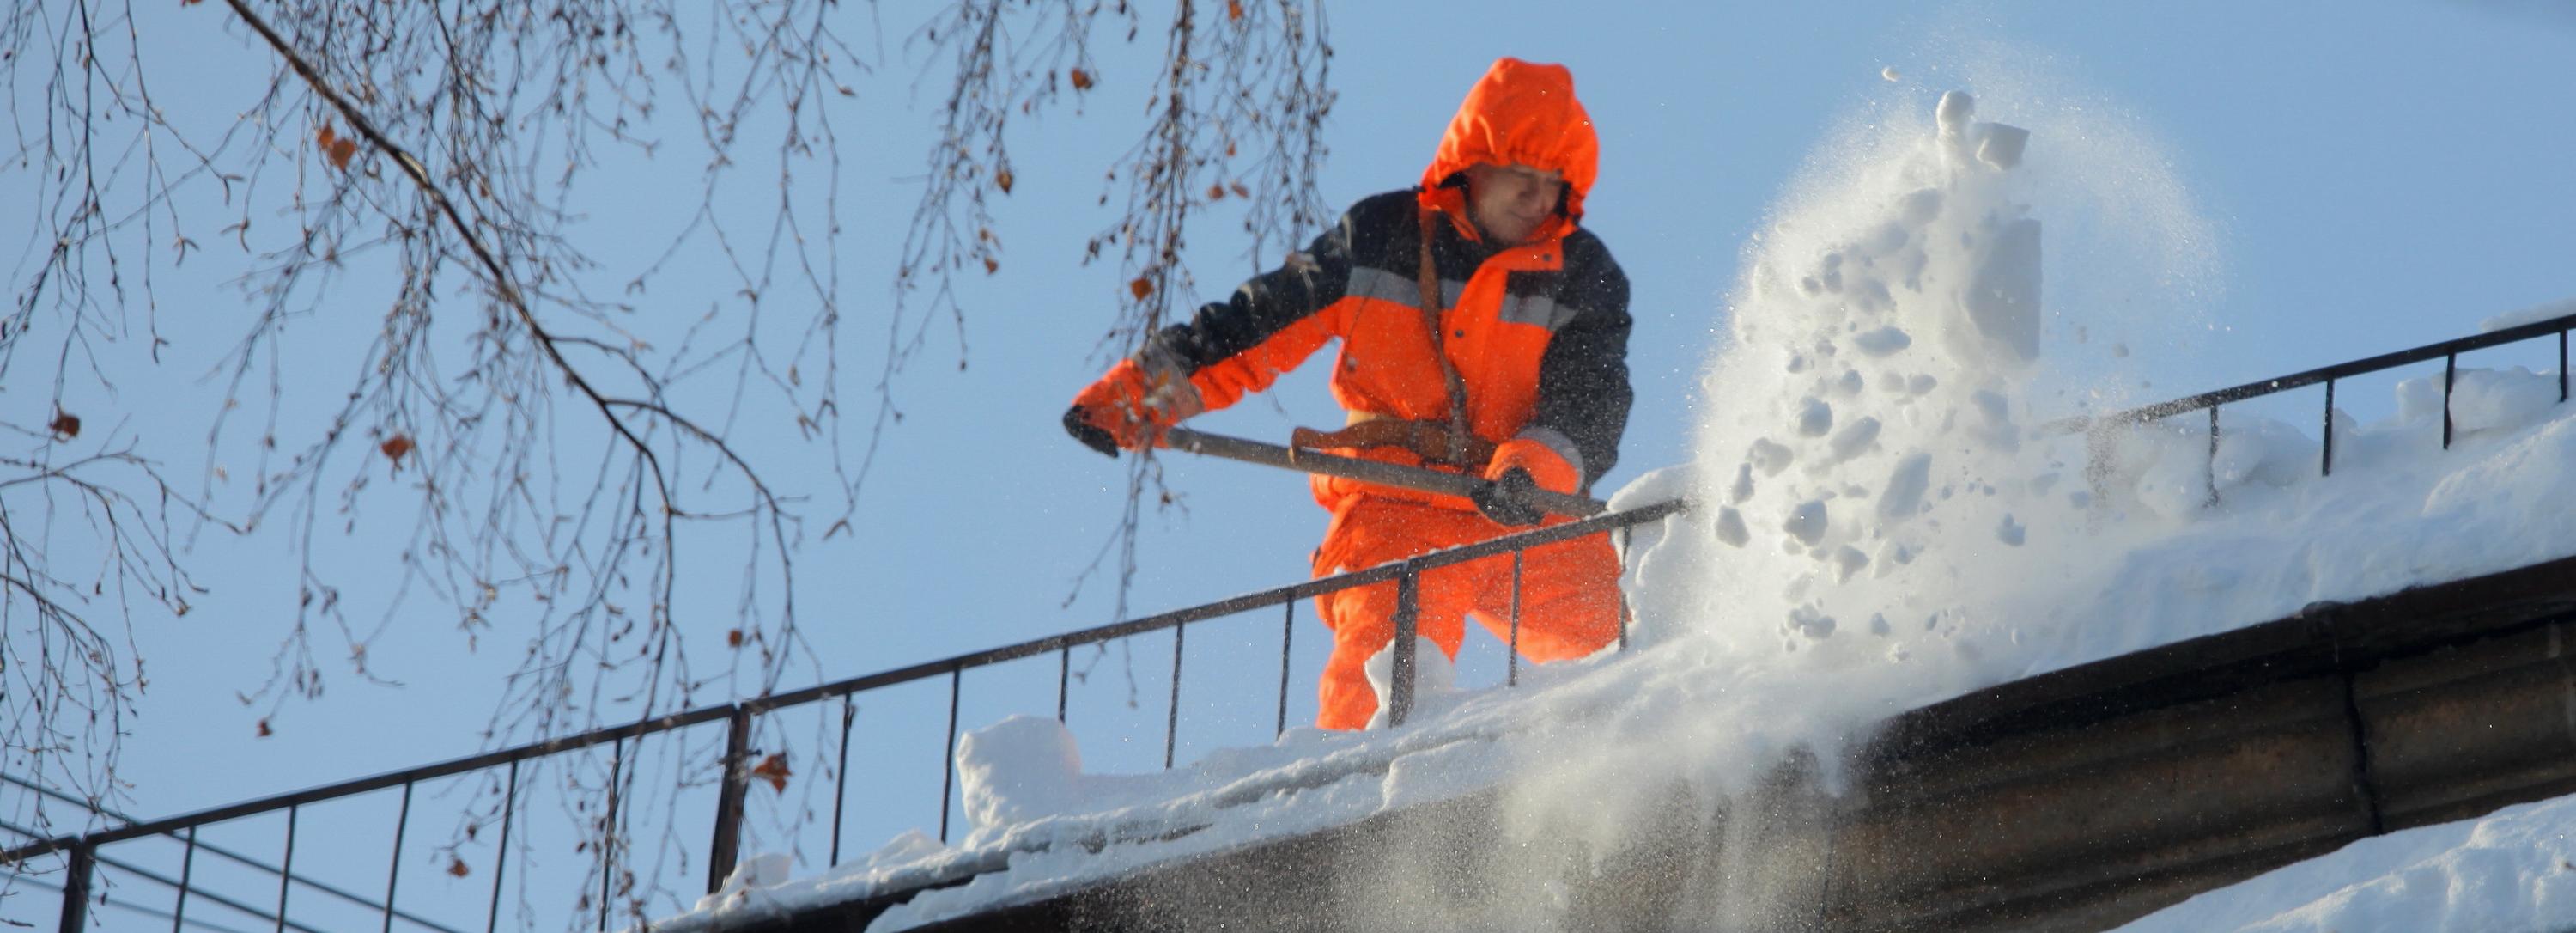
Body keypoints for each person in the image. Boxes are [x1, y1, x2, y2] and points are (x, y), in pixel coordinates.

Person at [1063, 57, 1633, 730]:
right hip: (1393, 505)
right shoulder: (1381, 236)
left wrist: (1532, 472)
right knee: (1383, 681)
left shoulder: (1582, 271)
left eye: (1554, 184)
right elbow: (1253, 324)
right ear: (1474, 164)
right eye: (1523, 175)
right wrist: (1135, 395)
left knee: (1634, 644)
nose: (1539, 198)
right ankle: (1354, 790)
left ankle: (1656, 761)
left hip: (1520, 506)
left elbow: (1591, 398)